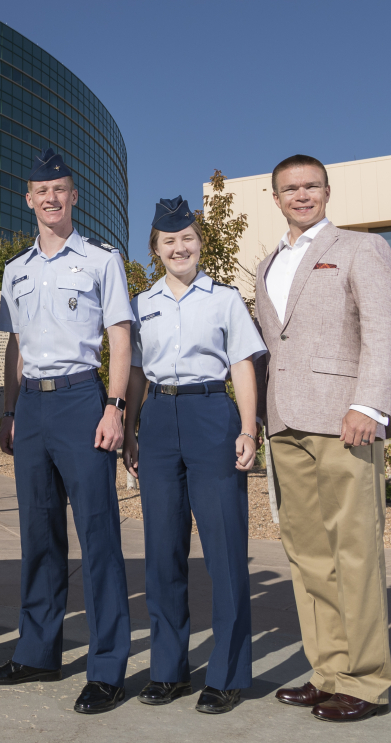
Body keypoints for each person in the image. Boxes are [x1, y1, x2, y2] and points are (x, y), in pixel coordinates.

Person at [0, 148, 133, 716]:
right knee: (38, 536)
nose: (50, 198)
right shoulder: (16, 270)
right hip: (33, 412)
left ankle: (108, 666)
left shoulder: (100, 259)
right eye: (40, 191)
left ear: (73, 197)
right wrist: (10, 411)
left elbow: (120, 338)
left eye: (59, 190)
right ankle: (38, 651)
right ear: (29, 199)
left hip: (80, 400)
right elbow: (14, 345)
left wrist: (115, 407)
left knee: (98, 536)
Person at [255, 154, 391, 722]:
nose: (301, 195)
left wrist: (368, 404)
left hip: (345, 421)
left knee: (356, 552)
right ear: (276, 198)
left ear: (327, 191)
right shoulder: (268, 262)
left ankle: (366, 683)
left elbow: (381, 330)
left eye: (311, 185)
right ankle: (328, 671)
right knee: (310, 556)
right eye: (290, 188)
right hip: (285, 425)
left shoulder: (361, 248)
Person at [122, 196, 266, 715]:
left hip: (211, 415)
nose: (179, 248)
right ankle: (168, 671)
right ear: (156, 250)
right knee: (162, 553)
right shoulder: (141, 304)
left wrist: (249, 428)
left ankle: (227, 675)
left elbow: (243, 365)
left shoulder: (224, 299)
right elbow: (136, 371)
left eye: (187, 239)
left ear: (200, 243)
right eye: (168, 241)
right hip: (159, 419)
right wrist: (131, 429)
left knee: (225, 551)